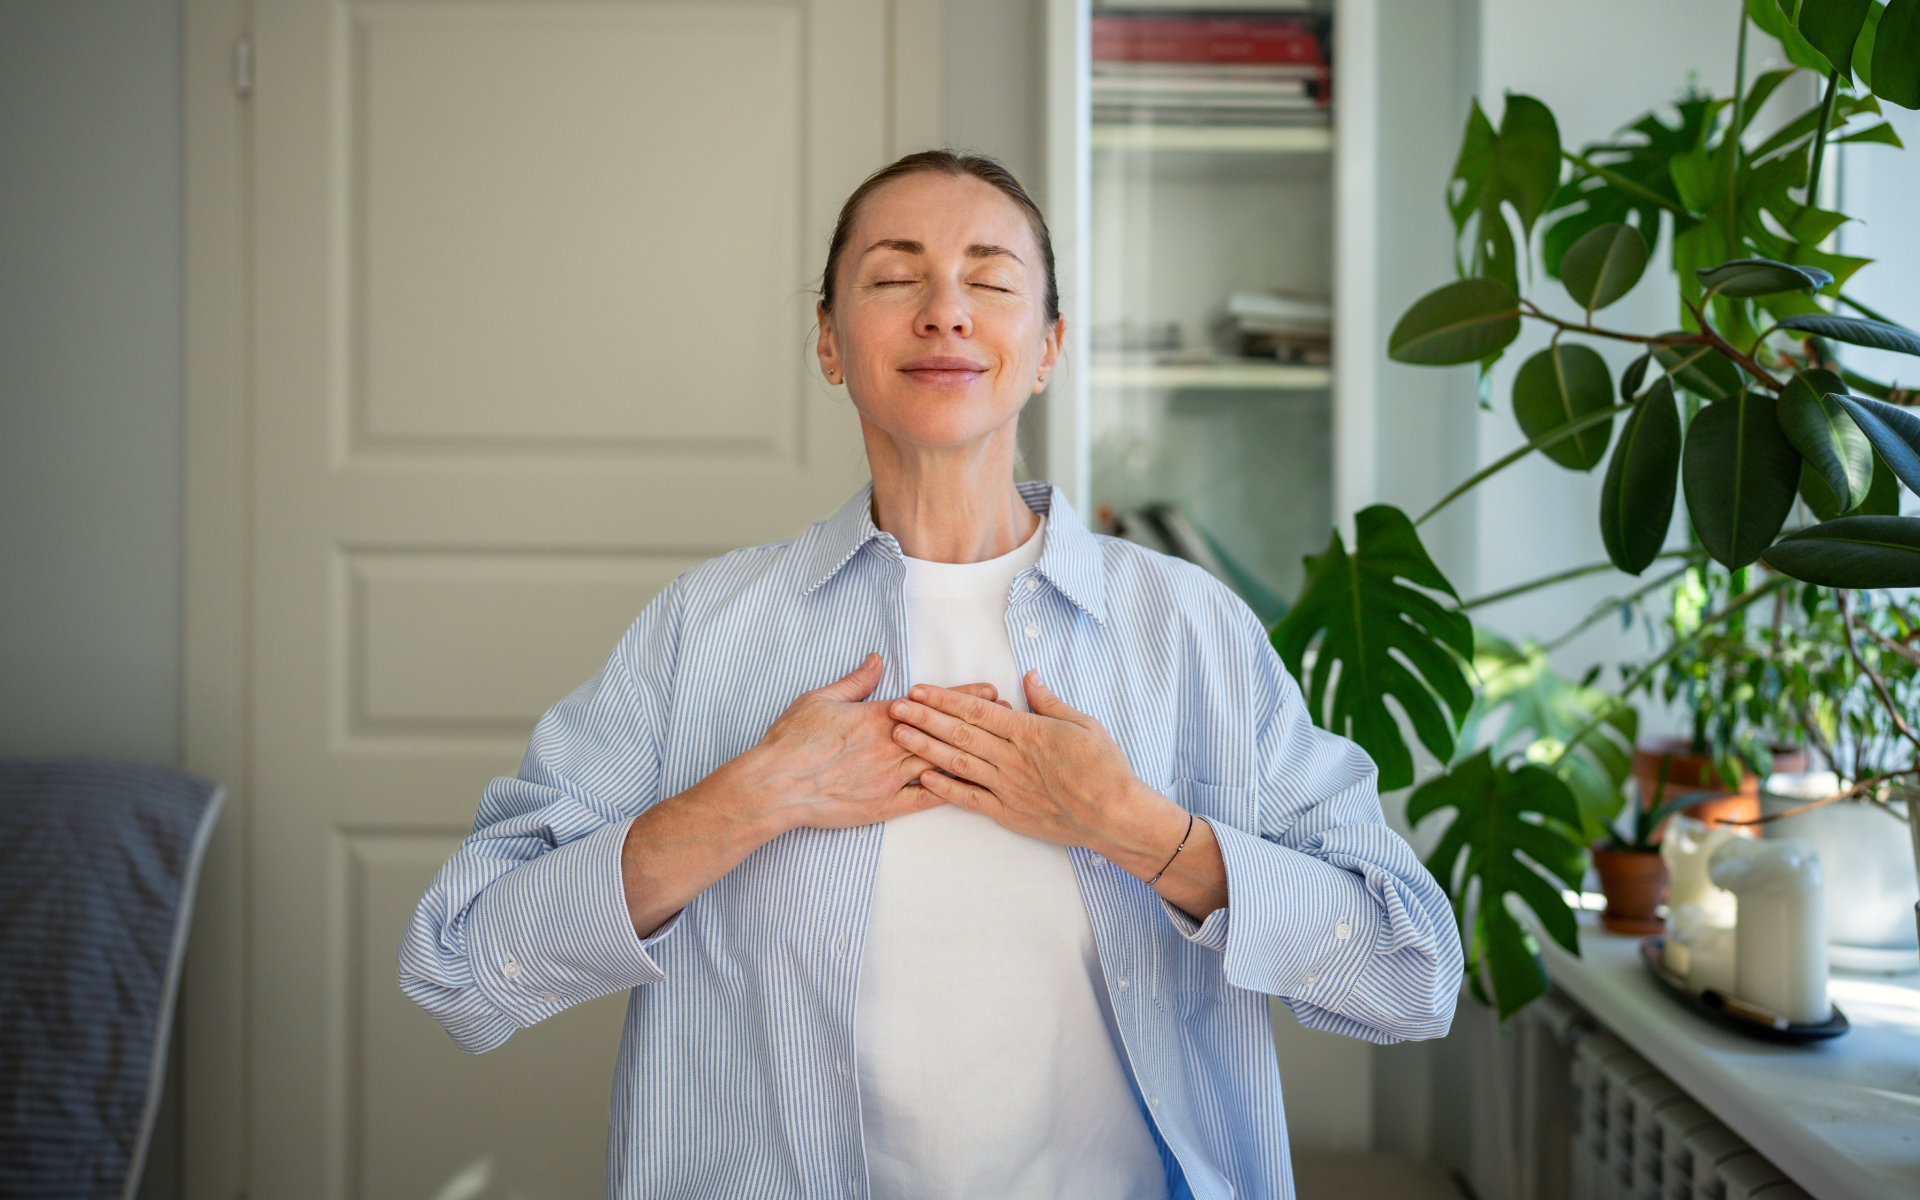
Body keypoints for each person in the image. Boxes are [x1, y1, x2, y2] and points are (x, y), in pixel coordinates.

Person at [400, 150, 1463, 1200]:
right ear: (829, 341)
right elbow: (460, 963)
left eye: (990, 282)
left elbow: (1409, 972)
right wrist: (750, 799)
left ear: (1046, 349)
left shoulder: (1190, 631)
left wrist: (1136, 828)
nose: (945, 311)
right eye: (895, 277)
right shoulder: (701, 632)